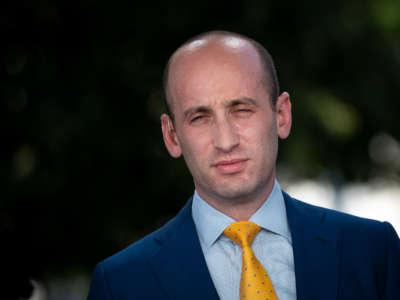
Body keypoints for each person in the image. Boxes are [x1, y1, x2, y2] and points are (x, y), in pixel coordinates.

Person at [87, 31, 400, 300]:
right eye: (199, 118)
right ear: (171, 136)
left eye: (241, 110)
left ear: (282, 115)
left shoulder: (373, 252)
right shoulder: (121, 284)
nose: (225, 141)